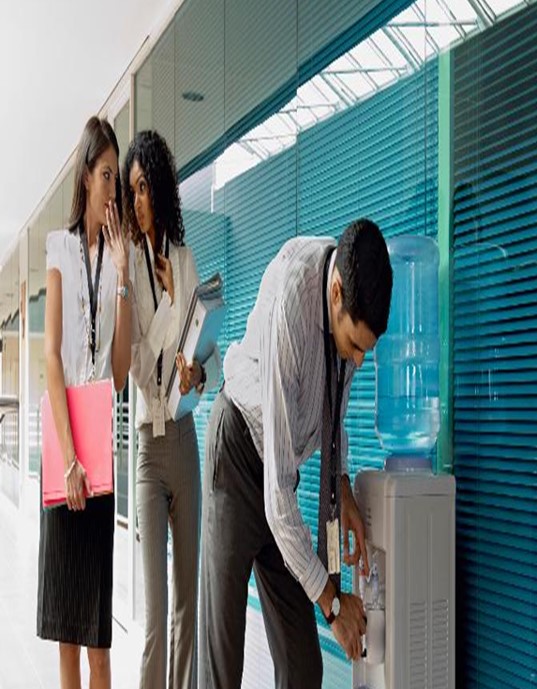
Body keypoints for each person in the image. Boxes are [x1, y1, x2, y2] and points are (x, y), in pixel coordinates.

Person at [199, 219, 393, 688]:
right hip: (238, 457)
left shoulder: (348, 297)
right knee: (221, 662)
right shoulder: (293, 300)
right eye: (355, 345)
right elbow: (278, 500)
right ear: (335, 293)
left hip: (277, 473)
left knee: (304, 667)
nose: (360, 360)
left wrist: (343, 486)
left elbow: (334, 413)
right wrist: (331, 605)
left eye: (367, 350)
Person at [37, 116, 132, 689]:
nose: (113, 189)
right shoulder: (59, 249)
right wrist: (68, 458)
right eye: (106, 175)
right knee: (67, 637)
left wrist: (122, 279)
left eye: (117, 178)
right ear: (85, 179)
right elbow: (51, 357)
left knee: (98, 638)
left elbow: (118, 373)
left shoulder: (116, 261)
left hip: (99, 454)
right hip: (67, 449)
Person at [123, 129, 219, 689]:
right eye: (130, 190)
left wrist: (197, 371)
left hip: (184, 439)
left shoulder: (184, 260)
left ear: (161, 190)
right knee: (157, 620)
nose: (137, 201)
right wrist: (171, 308)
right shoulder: (129, 269)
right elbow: (136, 356)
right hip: (148, 450)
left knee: (190, 608)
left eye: (143, 187)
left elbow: (205, 352)